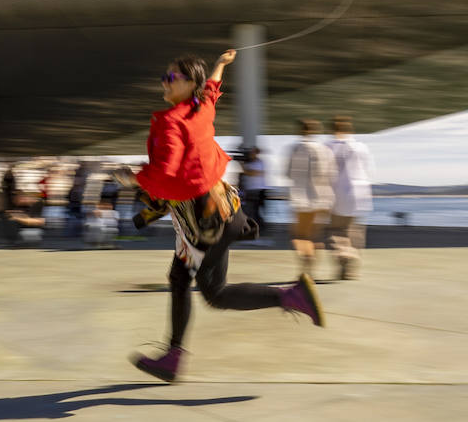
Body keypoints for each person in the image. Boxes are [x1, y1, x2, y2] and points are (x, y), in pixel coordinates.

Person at [122, 49, 325, 383]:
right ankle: (172, 356)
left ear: (189, 84)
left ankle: (292, 295)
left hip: (205, 224)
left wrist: (133, 177)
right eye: (166, 74)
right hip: (218, 213)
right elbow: (213, 88)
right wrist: (221, 64)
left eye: (171, 76)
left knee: (215, 294)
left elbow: (166, 173)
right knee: (178, 279)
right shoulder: (201, 108)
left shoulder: (172, 122)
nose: (164, 80)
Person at [284, 118, 336, 277]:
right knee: (315, 236)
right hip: (323, 197)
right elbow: (331, 173)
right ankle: (312, 269)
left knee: (300, 236)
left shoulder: (295, 148)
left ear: (300, 130)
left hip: (303, 198)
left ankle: (307, 267)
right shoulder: (325, 150)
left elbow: (287, 172)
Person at [327, 116, 374, 280]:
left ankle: (344, 256)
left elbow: (325, 173)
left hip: (338, 193)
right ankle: (352, 266)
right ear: (350, 129)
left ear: (333, 129)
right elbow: (368, 170)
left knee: (337, 230)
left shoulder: (329, 147)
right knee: (355, 229)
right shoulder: (361, 147)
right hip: (360, 192)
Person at [238, 146, 268, 242]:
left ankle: (259, 229)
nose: (251, 154)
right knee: (252, 211)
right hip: (251, 191)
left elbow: (252, 173)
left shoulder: (259, 163)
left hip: (257, 191)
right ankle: (257, 229)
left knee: (254, 211)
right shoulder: (251, 163)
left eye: (252, 152)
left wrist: (242, 166)